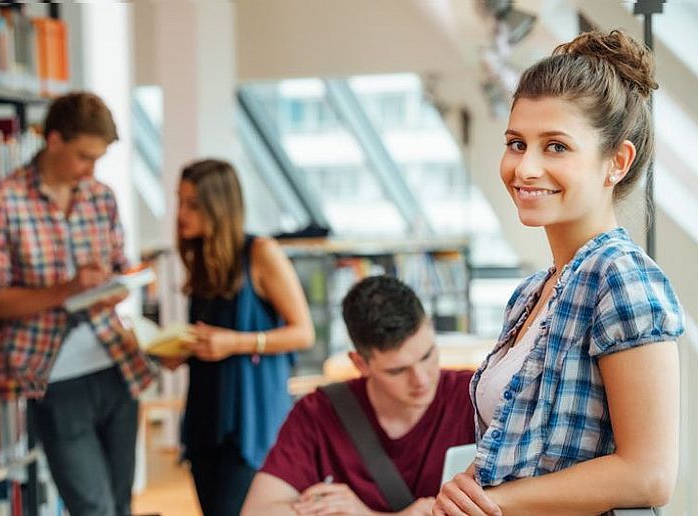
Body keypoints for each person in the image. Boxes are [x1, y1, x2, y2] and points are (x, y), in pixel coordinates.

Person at [433, 30, 685, 516]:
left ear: (617, 161)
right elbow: (523, 452)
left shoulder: (623, 278)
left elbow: (648, 475)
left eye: (555, 147)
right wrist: (468, 488)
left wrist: (497, 502)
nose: (525, 168)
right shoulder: (534, 292)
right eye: (516, 142)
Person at [0, 92, 155, 516]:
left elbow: (120, 271)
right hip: (54, 376)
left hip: (115, 365)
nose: (90, 170)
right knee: (92, 507)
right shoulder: (4, 201)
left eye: (97, 159)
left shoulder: (101, 197)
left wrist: (117, 283)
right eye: (82, 156)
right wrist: (67, 290)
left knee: (120, 504)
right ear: (53, 140)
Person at [242, 275, 476, 515]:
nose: (422, 380)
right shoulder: (319, 412)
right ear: (360, 363)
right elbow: (256, 511)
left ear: (431, 330)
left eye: (427, 356)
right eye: (397, 370)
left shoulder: (476, 395)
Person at [175, 158, 315, 516]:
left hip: (249, 419)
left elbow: (303, 333)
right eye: (180, 201)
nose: (181, 213)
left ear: (218, 206)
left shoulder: (261, 253)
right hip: (207, 417)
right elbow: (209, 337)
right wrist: (181, 348)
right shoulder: (203, 258)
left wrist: (234, 342)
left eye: (192, 204)